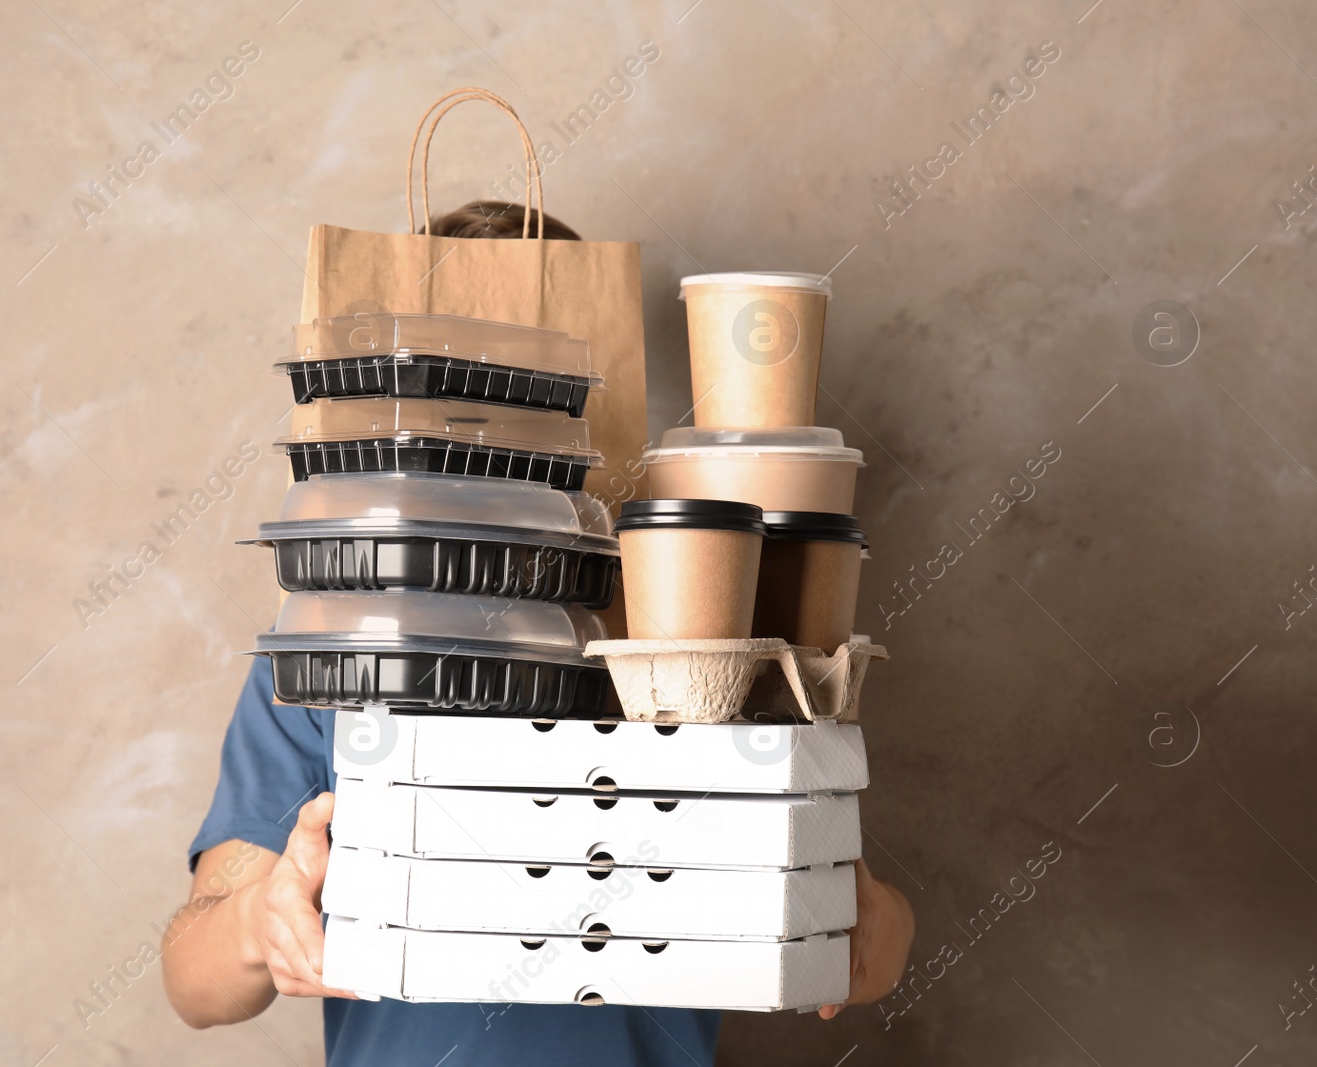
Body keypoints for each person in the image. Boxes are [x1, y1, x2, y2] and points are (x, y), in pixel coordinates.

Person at [160, 201, 916, 1064]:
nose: (491, 436)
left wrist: (861, 922)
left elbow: (879, 932)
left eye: (533, 396)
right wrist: (260, 917)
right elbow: (193, 978)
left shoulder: (694, 629)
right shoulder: (333, 649)